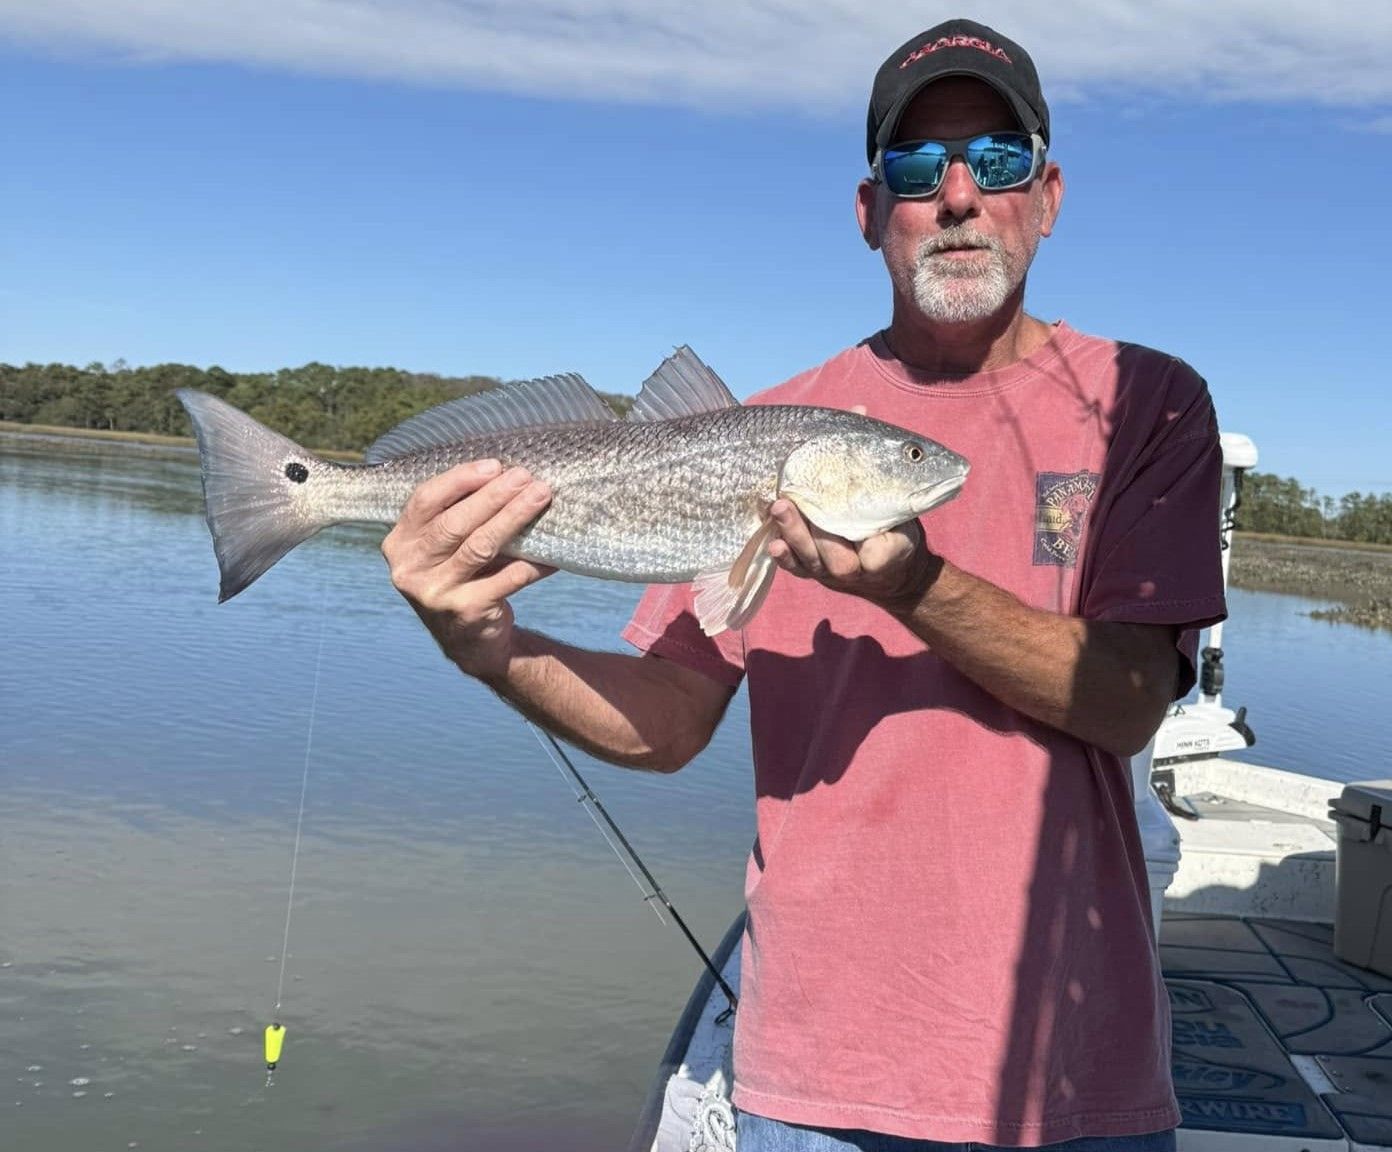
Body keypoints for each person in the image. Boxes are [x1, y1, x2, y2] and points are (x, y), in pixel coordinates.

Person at [382, 16, 1226, 1152]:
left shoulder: (1148, 404)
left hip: (1073, 1091)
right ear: (873, 211)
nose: (961, 196)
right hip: (812, 1082)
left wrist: (913, 588)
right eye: (918, 169)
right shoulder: (760, 425)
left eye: (1000, 159)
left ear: (1051, 193)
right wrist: (485, 640)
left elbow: (1127, 704)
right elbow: (669, 721)